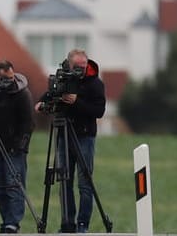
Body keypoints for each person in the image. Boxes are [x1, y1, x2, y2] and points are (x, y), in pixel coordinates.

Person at [37, 47, 106, 232]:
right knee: (64, 181)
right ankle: (67, 224)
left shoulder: (95, 84)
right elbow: (51, 93)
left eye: (83, 65)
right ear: (69, 64)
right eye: (77, 66)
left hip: (85, 136)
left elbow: (99, 111)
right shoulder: (63, 79)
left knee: (85, 183)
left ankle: (82, 224)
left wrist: (76, 102)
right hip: (64, 136)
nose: (81, 69)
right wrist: (42, 102)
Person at [0, 60, 36, 234]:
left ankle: (13, 222)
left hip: (14, 148)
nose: (9, 81)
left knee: (14, 185)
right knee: (0, 187)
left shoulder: (22, 93)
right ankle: (6, 220)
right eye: (5, 78)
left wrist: (20, 145)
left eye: (11, 77)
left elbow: (28, 123)